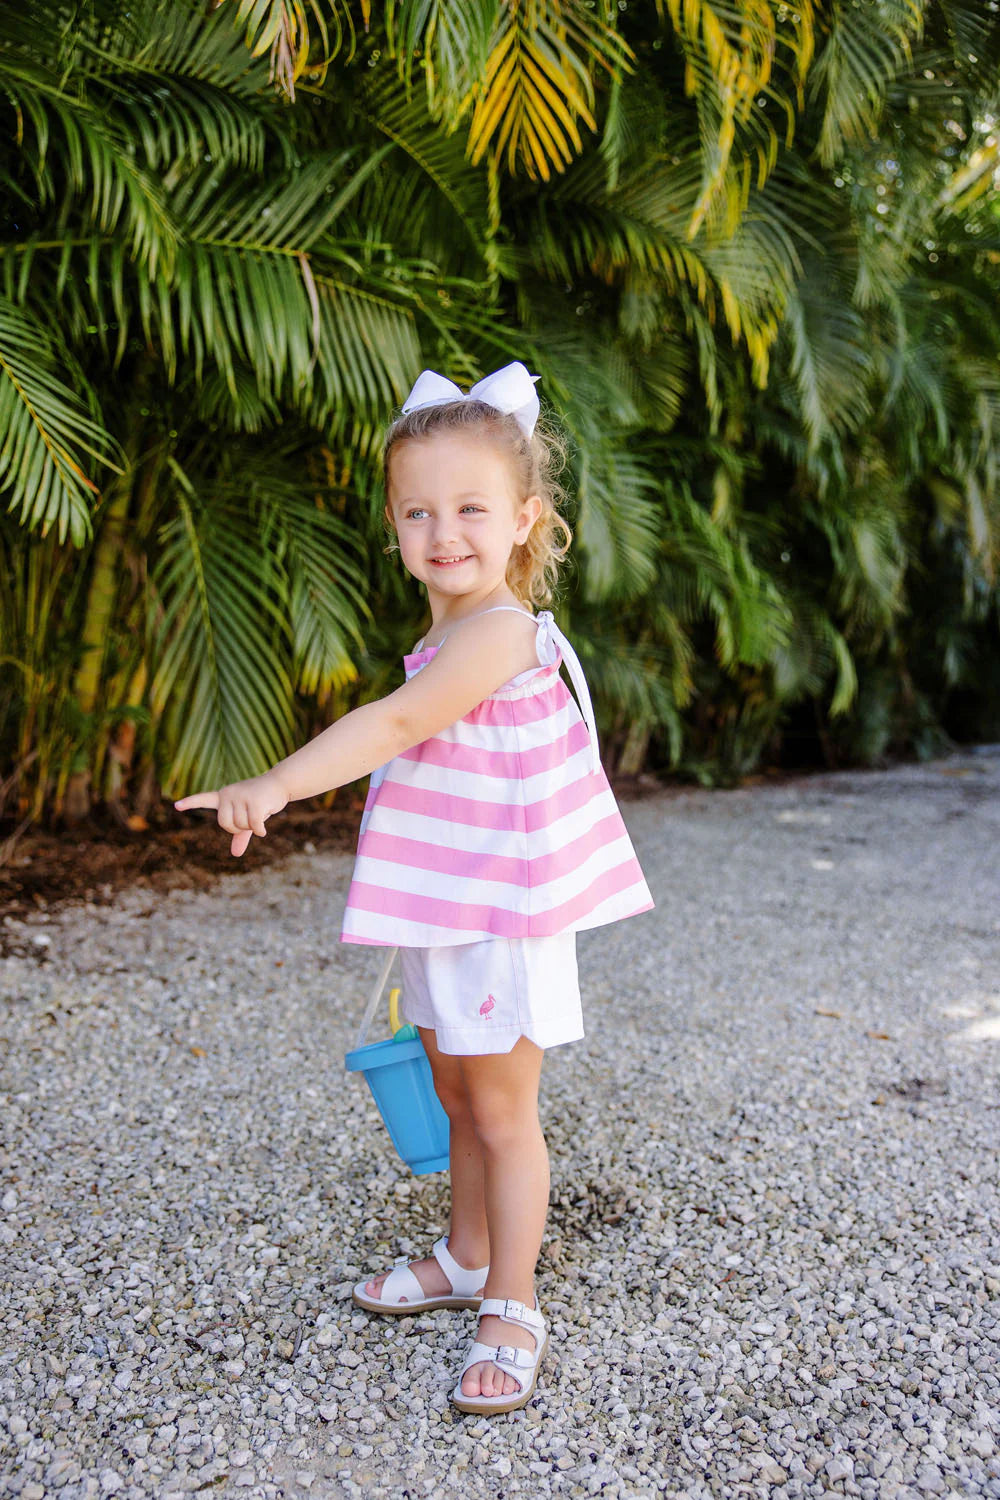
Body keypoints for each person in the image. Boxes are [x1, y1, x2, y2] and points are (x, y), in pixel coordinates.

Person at [176, 362, 653, 1415]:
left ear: (525, 520)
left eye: (473, 508)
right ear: (393, 524)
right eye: (419, 511)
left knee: (502, 1111)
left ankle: (513, 1303)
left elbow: (393, 725)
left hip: (501, 914)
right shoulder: (445, 633)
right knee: (456, 1095)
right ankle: (469, 1253)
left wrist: (274, 785)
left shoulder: (498, 632)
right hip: (449, 905)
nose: (445, 532)